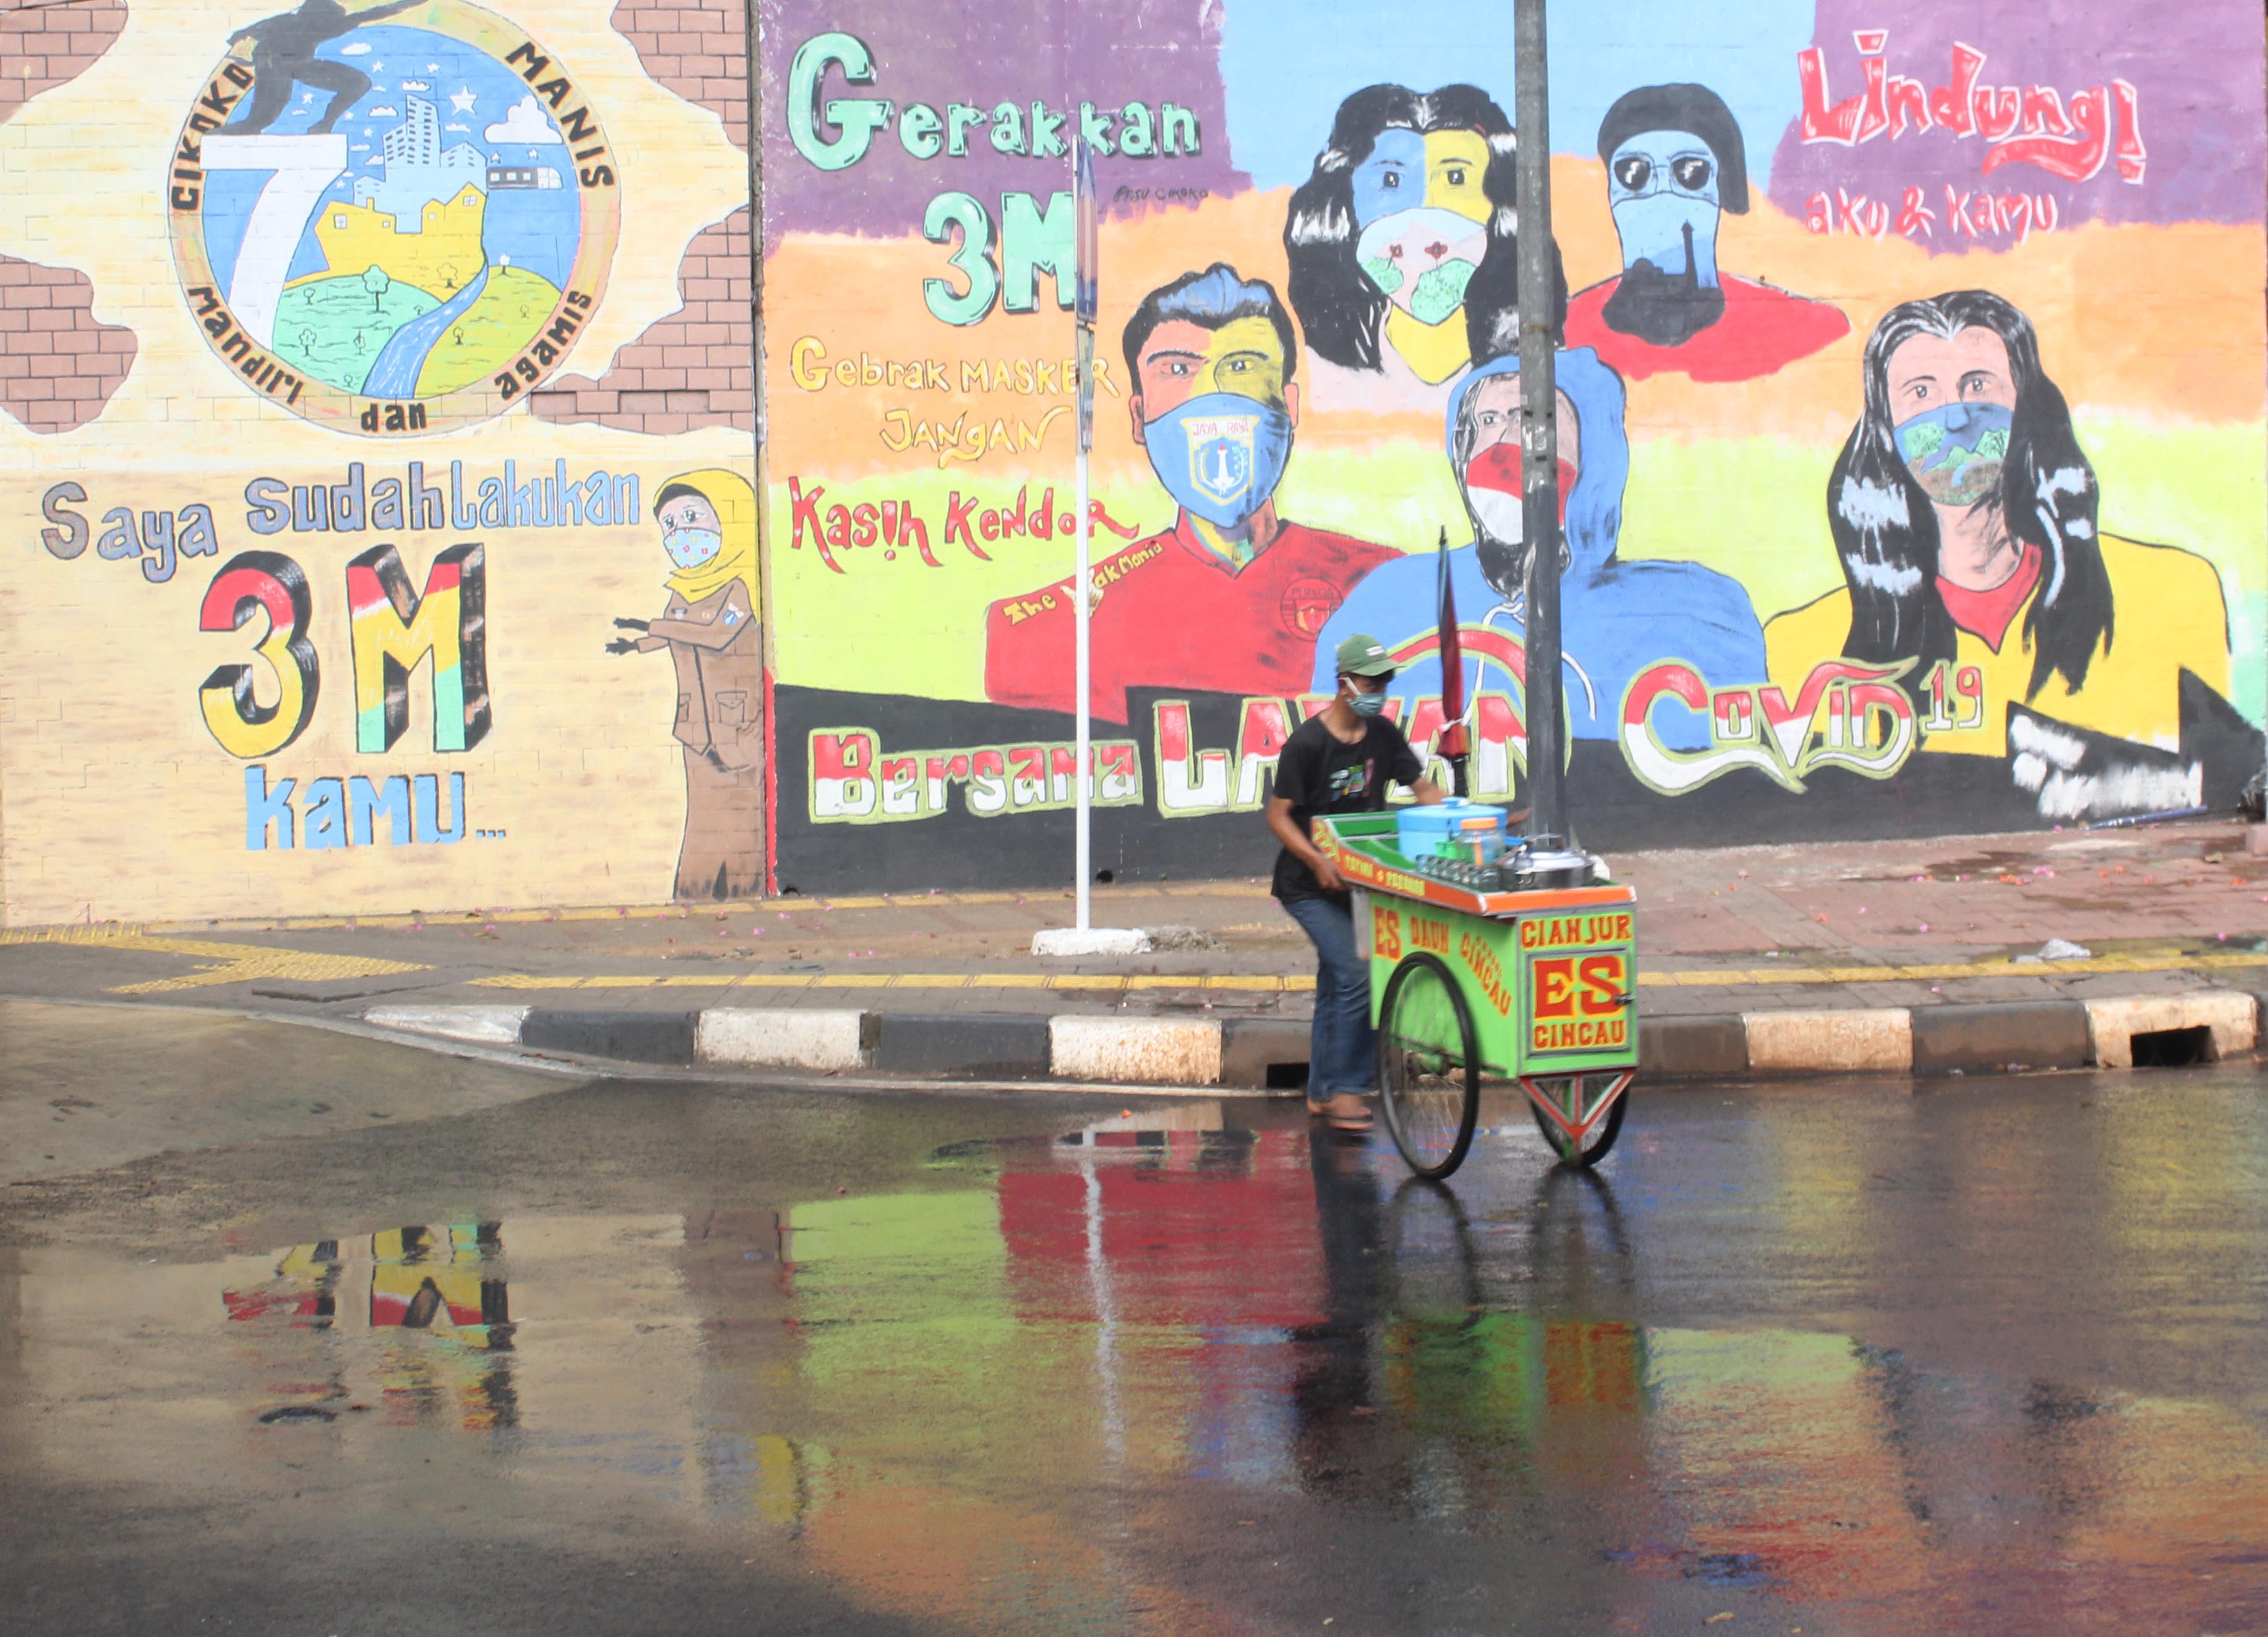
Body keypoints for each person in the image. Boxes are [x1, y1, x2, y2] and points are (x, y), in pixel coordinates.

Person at [1764, 290, 2230, 755]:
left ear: (2025, 410)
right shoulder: (1806, 648)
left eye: (1979, 385)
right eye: (1921, 392)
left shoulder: (2175, 591)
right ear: (1886, 430)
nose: (1956, 418)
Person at [983, 265, 1394, 724]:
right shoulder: (1054, 632)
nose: (1213, 394)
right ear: (1138, 417)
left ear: (1290, 404)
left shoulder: (1386, 584)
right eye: (1178, 369)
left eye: (1241, 367)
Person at [1315, 346, 1767, 754]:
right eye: (1487, 421)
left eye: (1534, 419)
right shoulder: (1386, 603)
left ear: (1594, 454)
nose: (1506, 441)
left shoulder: (1697, 614)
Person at [1282, 82, 1565, 411]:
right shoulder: (1316, 371)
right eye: (1391, 181)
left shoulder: (1546, 366)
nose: (1422, 216)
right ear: (1346, 207)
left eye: (1455, 179)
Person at [1268, 633, 1445, 1135]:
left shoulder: (1383, 736)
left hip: (1361, 883)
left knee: (1336, 981)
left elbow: (1424, 788)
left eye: (1384, 681)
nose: (1379, 689)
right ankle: (1348, 1086)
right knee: (1355, 972)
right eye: (1371, 681)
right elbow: (1278, 818)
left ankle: (1322, 1094)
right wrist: (1318, 860)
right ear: (1344, 684)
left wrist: (1466, 818)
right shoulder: (1306, 745)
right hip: (1307, 885)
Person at [1563, 83, 1847, 382]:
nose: (1662, 199)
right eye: (1634, 174)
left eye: (1690, 173)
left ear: (1721, 192)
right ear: (1612, 194)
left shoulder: (1802, 331)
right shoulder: (1569, 332)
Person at [606, 469, 765, 901]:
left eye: (693, 517)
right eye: (671, 526)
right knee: (703, 821)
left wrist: (653, 624)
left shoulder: (740, 589)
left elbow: (716, 634)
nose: (682, 534)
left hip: (739, 728)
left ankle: (744, 891)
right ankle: (693, 895)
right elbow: (672, 632)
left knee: (741, 820)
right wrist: (636, 645)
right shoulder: (683, 593)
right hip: (696, 731)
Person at [226, 0, 423, 137]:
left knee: (359, 83)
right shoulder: (292, 22)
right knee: (267, 112)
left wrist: (408, 4)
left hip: (300, 66)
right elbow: (371, 14)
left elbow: (373, 13)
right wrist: (245, 47)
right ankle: (253, 124)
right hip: (275, 65)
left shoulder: (322, 24)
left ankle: (324, 124)